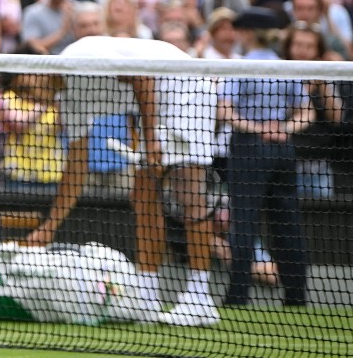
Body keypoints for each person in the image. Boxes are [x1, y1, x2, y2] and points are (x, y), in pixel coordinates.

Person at [25, 35, 220, 326]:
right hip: (152, 103)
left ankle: (199, 298)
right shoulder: (67, 102)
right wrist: (49, 228)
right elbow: (76, 168)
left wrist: (151, 138)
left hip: (183, 88)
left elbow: (141, 76)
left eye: (25, 84)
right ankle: (147, 294)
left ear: (36, 70)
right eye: (22, 93)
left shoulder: (80, 57)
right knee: (142, 196)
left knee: (189, 194)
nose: (30, 95)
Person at [219, 6, 310, 308]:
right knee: (288, 222)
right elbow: (307, 111)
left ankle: (237, 295)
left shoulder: (240, 66)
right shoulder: (287, 67)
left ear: (246, 33)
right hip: (283, 149)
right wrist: (282, 129)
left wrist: (257, 128)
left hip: (249, 148)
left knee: (244, 221)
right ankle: (296, 295)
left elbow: (224, 110)